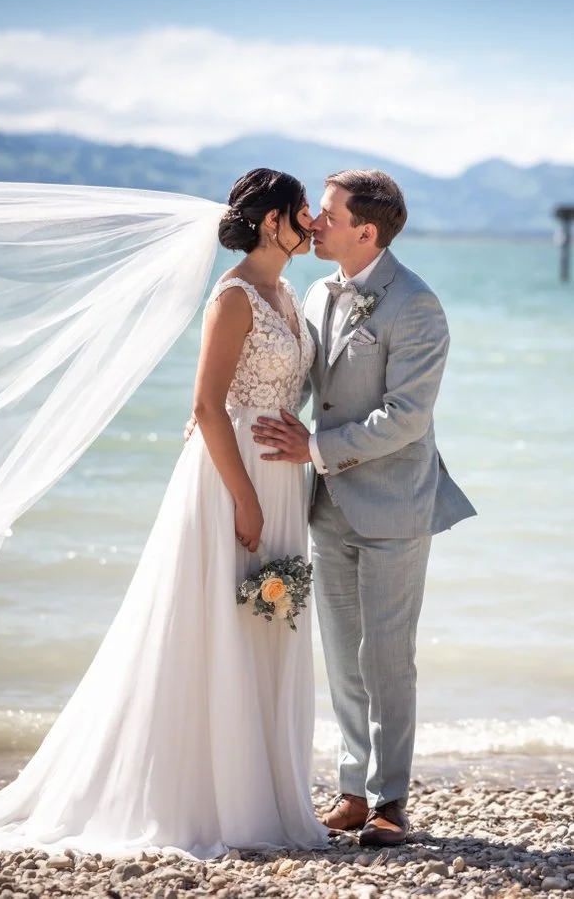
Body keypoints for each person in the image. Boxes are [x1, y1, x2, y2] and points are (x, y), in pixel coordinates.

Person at [0, 169, 328, 860]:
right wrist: (240, 494)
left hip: (279, 477)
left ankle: (259, 790)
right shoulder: (233, 296)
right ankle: (201, 798)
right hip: (230, 478)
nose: (311, 223)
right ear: (272, 222)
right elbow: (208, 406)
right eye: (301, 212)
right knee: (210, 625)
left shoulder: (287, 292)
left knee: (265, 623)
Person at [251, 169, 476, 847]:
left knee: (386, 657)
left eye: (325, 214)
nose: (314, 223)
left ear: (364, 231)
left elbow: (405, 417)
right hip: (327, 507)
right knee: (342, 657)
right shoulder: (318, 292)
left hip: (393, 508)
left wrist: (314, 449)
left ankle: (390, 800)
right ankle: (353, 790)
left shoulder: (417, 306)